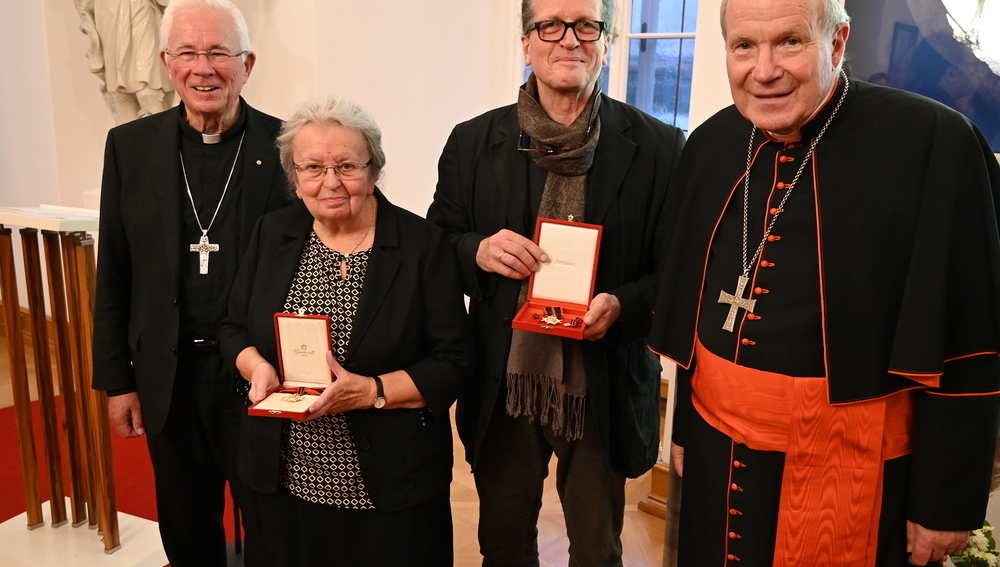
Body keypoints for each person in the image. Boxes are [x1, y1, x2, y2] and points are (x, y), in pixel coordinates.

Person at [648, 0, 1000, 566]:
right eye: (744, 46)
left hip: (855, 467)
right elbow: (695, 311)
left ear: (836, 42)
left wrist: (945, 503)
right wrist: (685, 431)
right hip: (717, 449)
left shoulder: (934, 143)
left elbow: (967, 342)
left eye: (790, 42)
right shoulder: (713, 143)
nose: (764, 71)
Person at [427, 0, 684, 563]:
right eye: (550, 25)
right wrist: (478, 250)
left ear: (607, 42)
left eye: (587, 25)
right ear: (526, 42)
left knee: (596, 550)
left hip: (602, 379)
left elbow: (677, 270)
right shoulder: (472, 142)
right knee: (502, 545)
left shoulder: (661, 148)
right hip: (504, 377)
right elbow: (438, 244)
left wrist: (623, 305)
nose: (569, 39)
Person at [219, 95, 473, 567]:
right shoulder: (271, 233)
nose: (331, 182)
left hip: (390, 484)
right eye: (313, 168)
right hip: (283, 480)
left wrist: (372, 391)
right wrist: (256, 367)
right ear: (294, 178)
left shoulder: (421, 245)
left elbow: (454, 361)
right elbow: (233, 327)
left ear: (374, 170)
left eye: (347, 166)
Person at [91, 0, 291, 565]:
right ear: (166, 62)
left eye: (219, 53)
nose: (203, 68)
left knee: (271, 523)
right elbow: (116, 272)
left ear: (247, 64)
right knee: (184, 526)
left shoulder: (286, 147)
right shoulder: (129, 147)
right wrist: (118, 381)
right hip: (168, 375)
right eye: (188, 53)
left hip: (258, 374)